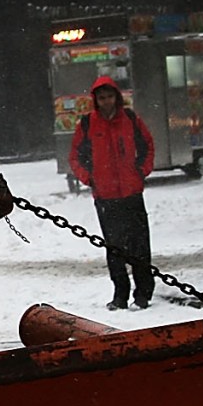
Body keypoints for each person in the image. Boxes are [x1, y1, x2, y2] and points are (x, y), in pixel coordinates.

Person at [68, 75, 156, 310]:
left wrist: (141, 172)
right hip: (106, 195)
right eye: (102, 98)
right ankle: (121, 294)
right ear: (96, 100)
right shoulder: (87, 124)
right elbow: (75, 156)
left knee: (139, 246)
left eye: (109, 97)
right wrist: (90, 178)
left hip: (131, 192)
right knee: (114, 248)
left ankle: (143, 292)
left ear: (116, 97)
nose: (106, 102)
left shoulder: (130, 119)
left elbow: (148, 146)